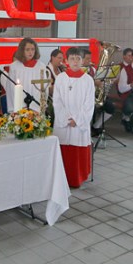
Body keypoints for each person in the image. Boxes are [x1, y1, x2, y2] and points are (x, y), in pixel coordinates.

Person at [53, 48, 95, 187]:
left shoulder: (88, 80)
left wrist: (77, 120)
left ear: (83, 61)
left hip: (79, 123)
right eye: (72, 59)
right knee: (63, 148)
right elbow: (57, 101)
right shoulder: (60, 78)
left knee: (77, 150)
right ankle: (60, 179)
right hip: (63, 122)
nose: (75, 62)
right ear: (66, 61)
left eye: (78, 58)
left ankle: (77, 178)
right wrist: (66, 119)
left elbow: (89, 104)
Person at [3, 38, 47, 111]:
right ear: (22, 51)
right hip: (19, 107)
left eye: (33, 49)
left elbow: (43, 88)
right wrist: (18, 107)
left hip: (36, 108)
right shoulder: (15, 67)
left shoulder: (41, 66)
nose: (30, 52)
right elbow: (11, 89)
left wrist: (35, 107)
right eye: (27, 49)